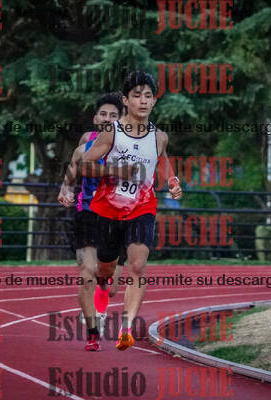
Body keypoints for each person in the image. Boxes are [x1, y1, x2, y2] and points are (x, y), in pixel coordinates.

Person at [81, 71, 182, 351]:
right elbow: (85, 165)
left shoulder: (159, 137)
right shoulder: (111, 133)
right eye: (137, 96)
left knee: (137, 265)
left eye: (148, 96)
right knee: (105, 271)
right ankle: (100, 307)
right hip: (107, 208)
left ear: (154, 101)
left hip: (142, 207)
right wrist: (115, 171)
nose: (143, 101)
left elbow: (162, 160)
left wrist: (172, 181)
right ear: (126, 100)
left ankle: (125, 329)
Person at [57, 93, 125, 351]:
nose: (107, 119)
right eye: (103, 114)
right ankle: (93, 332)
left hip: (117, 218)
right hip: (87, 214)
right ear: (96, 118)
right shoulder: (86, 143)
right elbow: (73, 169)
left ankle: (102, 294)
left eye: (113, 115)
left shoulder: (129, 147)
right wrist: (66, 189)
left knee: (110, 285)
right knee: (87, 273)